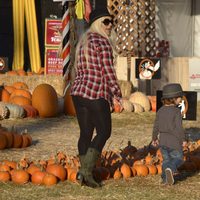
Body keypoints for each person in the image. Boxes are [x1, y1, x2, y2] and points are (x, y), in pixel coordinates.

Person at [70, 7, 123, 188]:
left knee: (85, 133)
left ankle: (84, 175)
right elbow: (108, 72)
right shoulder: (102, 42)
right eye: (106, 22)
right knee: (104, 131)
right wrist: (117, 94)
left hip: (78, 92)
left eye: (111, 21)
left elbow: (78, 68)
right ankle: (85, 171)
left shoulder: (83, 41)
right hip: (94, 93)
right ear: (96, 24)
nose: (110, 25)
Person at [151, 83, 187, 185]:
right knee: (178, 159)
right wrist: (183, 140)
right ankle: (171, 169)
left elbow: (156, 126)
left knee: (166, 160)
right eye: (180, 97)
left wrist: (154, 138)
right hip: (174, 141)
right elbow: (179, 128)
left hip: (163, 142)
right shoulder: (176, 112)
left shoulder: (160, 111)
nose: (181, 99)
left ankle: (165, 179)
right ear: (174, 98)